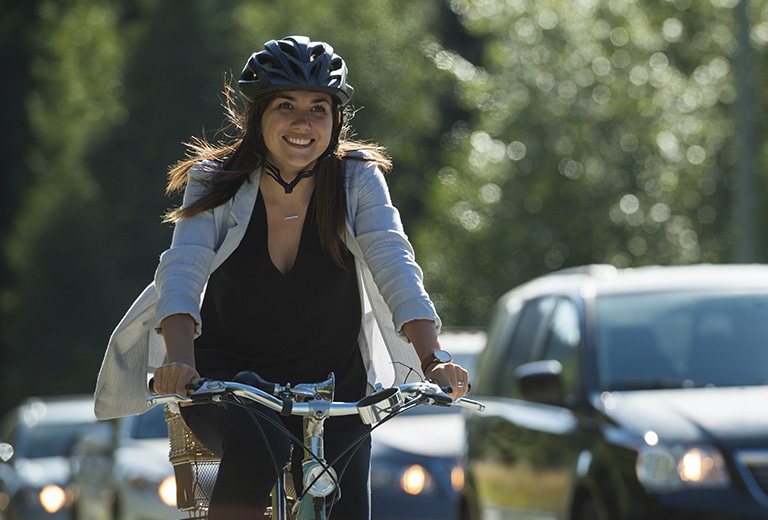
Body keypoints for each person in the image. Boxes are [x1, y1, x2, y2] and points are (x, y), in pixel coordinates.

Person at [93, 35, 469, 519]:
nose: (302, 122)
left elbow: (395, 262)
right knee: (259, 432)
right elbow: (182, 269)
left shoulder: (356, 179)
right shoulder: (215, 180)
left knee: (348, 508)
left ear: (336, 121)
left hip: (335, 390)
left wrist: (433, 358)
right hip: (230, 387)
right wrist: (180, 361)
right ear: (256, 117)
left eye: (319, 108)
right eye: (285, 105)